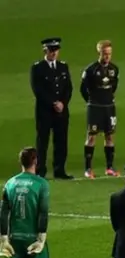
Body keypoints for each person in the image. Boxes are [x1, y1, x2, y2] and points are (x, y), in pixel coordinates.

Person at [30, 38, 73, 180]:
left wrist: (63, 103)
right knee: (43, 142)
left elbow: (68, 88)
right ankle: (40, 170)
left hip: (61, 111)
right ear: (45, 51)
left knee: (61, 141)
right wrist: (54, 103)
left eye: (56, 50)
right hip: (45, 111)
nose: (54, 53)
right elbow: (38, 90)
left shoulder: (63, 67)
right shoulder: (37, 68)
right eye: (51, 50)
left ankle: (59, 170)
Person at [80, 40, 120, 179]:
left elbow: (114, 86)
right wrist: (92, 101)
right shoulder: (91, 70)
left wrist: (107, 98)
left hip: (109, 107)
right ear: (99, 53)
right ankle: (88, 169)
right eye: (105, 54)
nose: (107, 57)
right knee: (91, 136)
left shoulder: (114, 69)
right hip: (95, 108)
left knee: (109, 136)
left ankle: (109, 167)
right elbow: (83, 89)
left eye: (109, 54)